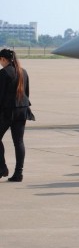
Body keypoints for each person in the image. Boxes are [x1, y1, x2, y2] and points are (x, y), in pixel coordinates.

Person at [0, 48, 31, 182]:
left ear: (3, 59)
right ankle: (18, 173)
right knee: (18, 142)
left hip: (8, 111)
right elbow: (27, 93)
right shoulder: (23, 72)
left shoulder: (3, 73)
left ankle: (2, 168)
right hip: (22, 109)